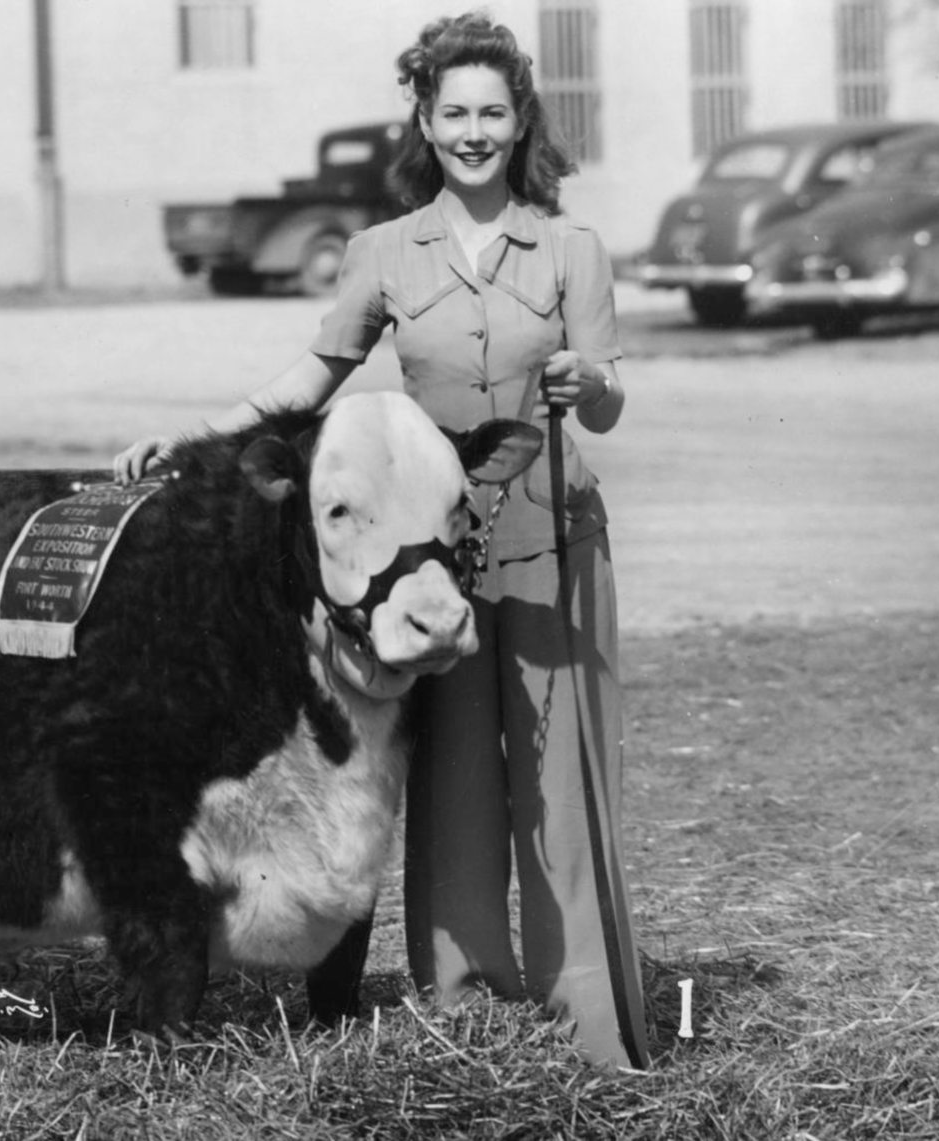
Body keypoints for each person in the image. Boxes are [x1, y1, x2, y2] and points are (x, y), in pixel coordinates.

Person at [115, 12, 650, 1068]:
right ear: (423, 117)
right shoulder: (381, 253)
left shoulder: (572, 250)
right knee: (448, 780)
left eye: (492, 112)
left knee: (557, 787)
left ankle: (583, 1015)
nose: (473, 131)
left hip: (553, 548)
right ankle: (464, 1006)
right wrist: (190, 439)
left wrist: (586, 381)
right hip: (427, 565)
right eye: (453, 112)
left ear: (520, 119)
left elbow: (607, 404)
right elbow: (306, 384)